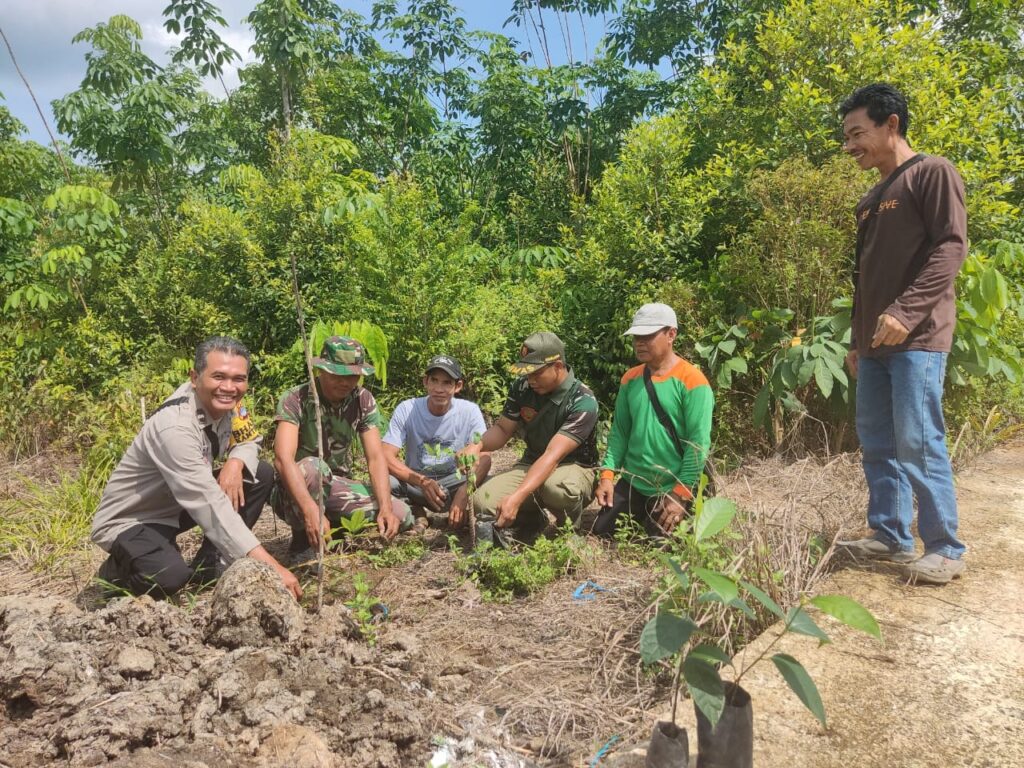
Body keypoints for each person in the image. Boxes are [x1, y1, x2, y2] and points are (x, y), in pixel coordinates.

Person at [837, 83, 968, 584]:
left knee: (917, 439)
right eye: (846, 136)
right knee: (876, 440)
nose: (850, 146)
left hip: (917, 338)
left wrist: (907, 311)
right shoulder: (871, 199)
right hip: (874, 345)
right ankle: (890, 536)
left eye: (857, 133)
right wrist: (857, 339)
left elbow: (950, 248)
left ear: (891, 124)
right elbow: (864, 278)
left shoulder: (932, 172)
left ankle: (946, 547)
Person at [91, 336, 302, 600]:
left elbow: (250, 440)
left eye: (239, 379)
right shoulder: (175, 427)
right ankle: (117, 570)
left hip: (176, 503)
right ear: (195, 377)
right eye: (218, 377)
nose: (229, 387)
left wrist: (235, 463)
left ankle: (209, 565)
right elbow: (209, 504)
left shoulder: (230, 404)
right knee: (169, 576)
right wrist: (272, 567)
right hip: (134, 518)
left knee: (258, 473)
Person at [272, 336, 413, 555]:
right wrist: (310, 510)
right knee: (314, 468)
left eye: (353, 375)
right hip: (295, 490)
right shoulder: (296, 399)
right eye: (337, 374)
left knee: (401, 514)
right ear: (321, 371)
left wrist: (385, 507)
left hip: (336, 484)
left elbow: (376, 458)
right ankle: (303, 541)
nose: (345, 382)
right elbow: (283, 459)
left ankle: (335, 529)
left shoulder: (362, 400)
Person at [594, 303, 714, 537]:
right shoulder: (630, 379)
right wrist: (607, 476)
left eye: (648, 335)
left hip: (673, 484)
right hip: (635, 481)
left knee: (662, 545)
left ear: (671, 334)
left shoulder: (693, 381)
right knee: (601, 531)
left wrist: (680, 493)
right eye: (637, 336)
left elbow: (697, 445)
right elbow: (620, 433)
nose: (640, 342)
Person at [469, 332, 598, 545]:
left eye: (536, 373)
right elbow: (502, 429)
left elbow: (553, 455)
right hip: (532, 463)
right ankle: (532, 519)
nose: (530, 380)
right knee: (483, 502)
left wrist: (518, 496)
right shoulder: (522, 388)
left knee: (557, 489)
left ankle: (568, 528)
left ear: (557, 367)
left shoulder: (582, 400)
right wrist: (477, 445)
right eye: (527, 373)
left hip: (573, 467)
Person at [382, 354, 491, 529]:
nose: (439, 389)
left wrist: (464, 493)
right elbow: (385, 455)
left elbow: (485, 456)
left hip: (455, 481)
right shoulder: (407, 409)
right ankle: (416, 512)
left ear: (458, 386)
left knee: (490, 486)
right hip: (416, 482)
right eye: (434, 380)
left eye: (447, 382)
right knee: (385, 481)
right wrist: (422, 481)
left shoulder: (469, 411)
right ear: (425, 382)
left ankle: (462, 512)